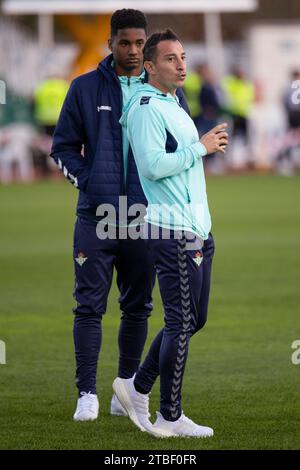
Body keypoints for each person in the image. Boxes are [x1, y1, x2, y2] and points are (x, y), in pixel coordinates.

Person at [50, 10, 189, 422]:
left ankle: (124, 390)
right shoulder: (85, 88)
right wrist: (92, 184)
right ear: (109, 43)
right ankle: (87, 393)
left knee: (138, 307)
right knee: (89, 307)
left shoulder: (166, 93)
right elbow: (62, 148)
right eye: (124, 42)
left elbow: (176, 153)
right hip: (97, 215)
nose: (132, 50)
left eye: (138, 44)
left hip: (147, 218)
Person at [113, 29, 228, 438]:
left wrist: (200, 149)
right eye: (170, 59)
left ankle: (137, 386)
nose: (181, 65)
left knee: (194, 319)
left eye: (183, 56)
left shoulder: (174, 100)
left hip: (198, 226)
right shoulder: (145, 106)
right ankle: (170, 415)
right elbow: (152, 166)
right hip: (171, 229)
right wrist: (201, 147)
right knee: (181, 322)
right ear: (149, 66)